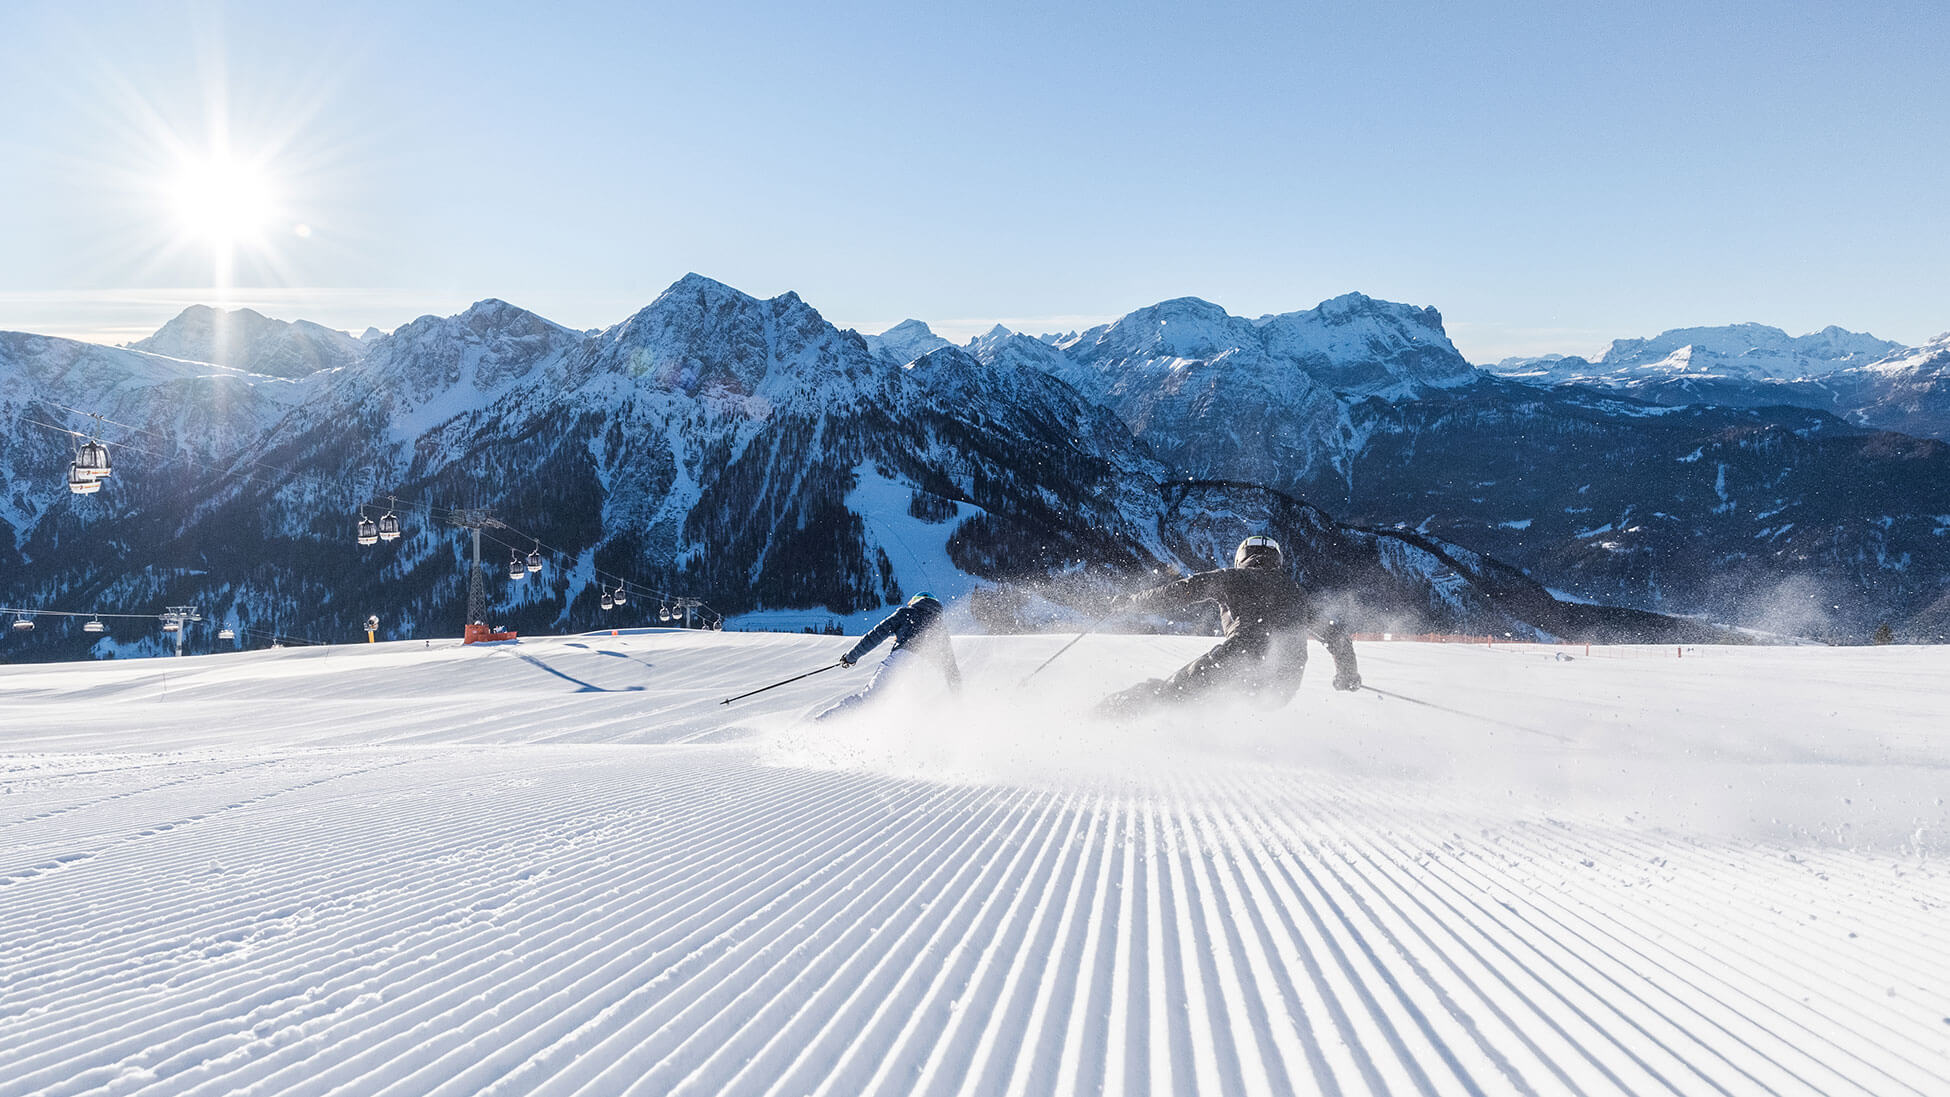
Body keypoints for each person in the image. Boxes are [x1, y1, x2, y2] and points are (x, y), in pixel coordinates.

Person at [1098, 534, 1362, 714]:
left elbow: (1178, 592)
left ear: (1242, 558)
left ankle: (1103, 716)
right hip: (1284, 684)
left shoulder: (1230, 578)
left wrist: (1131, 602)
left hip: (1239, 660)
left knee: (1167, 693)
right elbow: (1337, 635)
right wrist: (1347, 674)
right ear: (1277, 561)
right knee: (1214, 702)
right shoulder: (1297, 593)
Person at [814, 592, 962, 719]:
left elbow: (875, 635)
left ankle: (821, 723)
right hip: (924, 672)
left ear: (915, 601)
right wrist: (958, 699)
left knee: (869, 701)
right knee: (906, 712)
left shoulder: (907, 613)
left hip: (903, 660)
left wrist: (850, 657)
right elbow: (951, 668)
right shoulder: (940, 627)